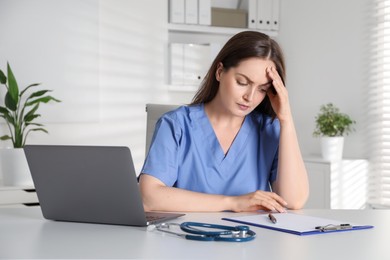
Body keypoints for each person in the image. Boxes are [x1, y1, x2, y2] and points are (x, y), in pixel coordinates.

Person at [139, 31, 309, 213]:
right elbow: (148, 198)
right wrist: (233, 203)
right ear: (220, 72)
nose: (249, 97)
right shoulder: (177, 125)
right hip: (188, 237)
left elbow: (293, 201)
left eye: (262, 89)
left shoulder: (268, 130)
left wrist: (286, 119)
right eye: (242, 82)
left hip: (254, 239)